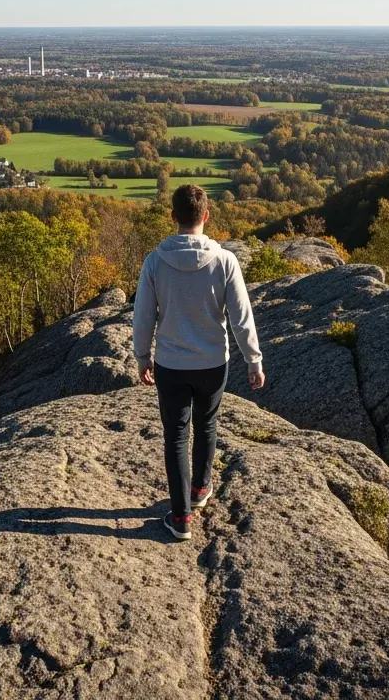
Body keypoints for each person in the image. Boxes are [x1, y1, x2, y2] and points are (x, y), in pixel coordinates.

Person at [132, 184, 264, 541]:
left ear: (173, 217)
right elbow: (241, 317)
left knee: (176, 436)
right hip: (212, 363)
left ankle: (181, 518)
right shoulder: (225, 261)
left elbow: (143, 316)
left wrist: (142, 356)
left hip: (171, 365)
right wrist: (253, 360)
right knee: (206, 425)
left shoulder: (155, 261)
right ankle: (201, 488)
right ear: (206, 216)